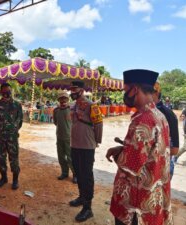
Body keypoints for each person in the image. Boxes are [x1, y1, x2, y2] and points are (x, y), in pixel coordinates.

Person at [106, 69, 173, 225]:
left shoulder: (143, 119)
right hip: (151, 198)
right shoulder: (159, 116)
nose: (124, 95)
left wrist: (118, 155)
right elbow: (150, 153)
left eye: (125, 90)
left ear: (134, 89)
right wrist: (123, 149)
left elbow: (131, 166)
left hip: (134, 205)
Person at [69, 81, 103, 222]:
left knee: (86, 176)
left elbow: (99, 123)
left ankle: (88, 208)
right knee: (78, 173)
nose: (72, 93)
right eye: (71, 90)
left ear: (81, 91)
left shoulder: (91, 105)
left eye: (75, 90)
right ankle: (82, 197)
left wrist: (97, 140)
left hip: (87, 146)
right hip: (75, 144)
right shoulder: (74, 105)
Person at [0, 83, 23, 190]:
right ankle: (3, 178)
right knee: (0, 158)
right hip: (0, 137)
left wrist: (12, 130)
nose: (6, 94)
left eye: (8, 91)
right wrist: (1, 129)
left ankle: (15, 180)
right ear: (1, 92)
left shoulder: (17, 105)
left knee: (14, 158)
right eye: (4, 92)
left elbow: (20, 121)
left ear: (11, 91)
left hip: (12, 137)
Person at [152, 82, 179, 178]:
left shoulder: (167, 114)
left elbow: (174, 150)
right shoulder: (144, 112)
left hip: (160, 167)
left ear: (156, 93)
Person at [53, 91, 76, 183]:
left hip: (69, 138)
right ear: (58, 100)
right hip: (59, 137)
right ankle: (64, 172)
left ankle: (75, 174)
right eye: (61, 98)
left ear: (67, 99)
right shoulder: (56, 110)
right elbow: (55, 122)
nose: (63, 100)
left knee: (70, 157)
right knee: (61, 156)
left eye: (64, 98)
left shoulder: (72, 110)